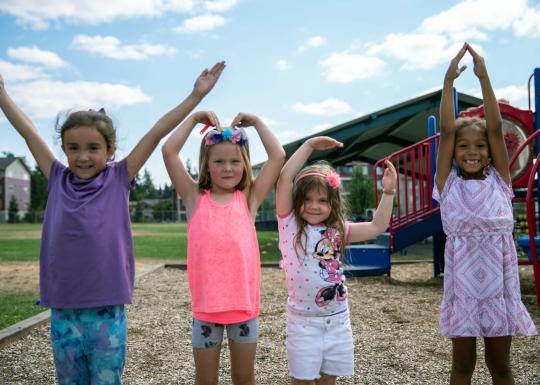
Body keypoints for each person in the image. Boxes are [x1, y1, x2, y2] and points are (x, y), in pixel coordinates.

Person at [0, 61, 225, 384]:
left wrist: (195, 96)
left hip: (107, 310)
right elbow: (28, 132)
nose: (83, 156)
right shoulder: (56, 178)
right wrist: (3, 94)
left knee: (106, 380)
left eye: (93, 148)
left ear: (110, 150)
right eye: (73, 148)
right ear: (63, 149)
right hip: (63, 309)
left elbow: (156, 132)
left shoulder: (119, 177)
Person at [434, 43, 536, 385]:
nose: (472, 151)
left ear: (492, 154)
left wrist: (484, 76)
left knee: (501, 365)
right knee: (462, 365)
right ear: (453, 153)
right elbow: (447, 131)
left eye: (479, 147)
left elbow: (494, 129)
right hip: (464, 288)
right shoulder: (447, 184)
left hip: (499, 288)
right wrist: (448, 82)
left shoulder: (500, 180)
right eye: (464, 147)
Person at [162, 110, 285, 385]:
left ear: (245, 164)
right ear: (206, 165)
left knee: (244, 377)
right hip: (206, 312)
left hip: (243, 310)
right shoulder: (194, 197)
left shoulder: (249, 198)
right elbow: (169, 152)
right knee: (205, 380)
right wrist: (192, 119)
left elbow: (277, 157)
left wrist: (258, 122)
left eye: (234, 161)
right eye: (219, 161)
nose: (227, 168)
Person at [275, 136, 397, 385]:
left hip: (337, 320)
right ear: (297, 202)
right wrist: (309, 146)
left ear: (333, 204)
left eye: (322, 200)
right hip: (303, 322)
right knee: (302, 381)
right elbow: (285, 178)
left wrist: (388, 192)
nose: (314, 206)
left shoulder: (340, 231)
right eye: (307, 200)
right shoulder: (289, 225)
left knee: (328, 381)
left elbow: (376, 226)